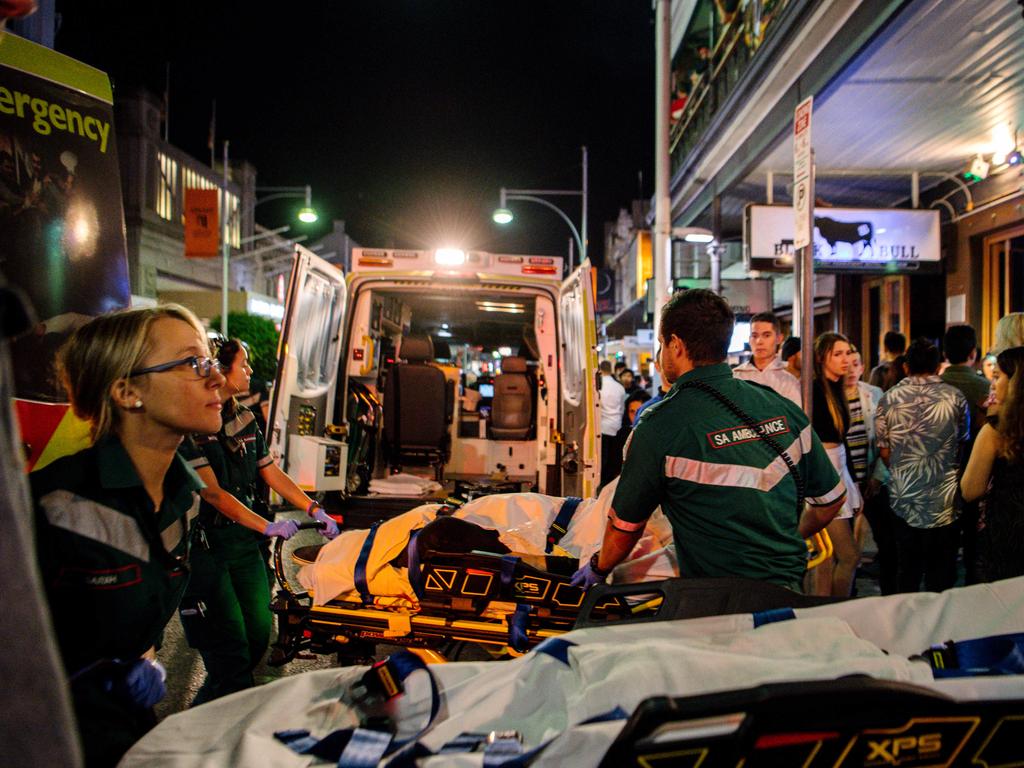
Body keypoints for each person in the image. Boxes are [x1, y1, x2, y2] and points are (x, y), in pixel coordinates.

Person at [31, 305, 226, 767]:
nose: (215, 378)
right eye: (191, 364)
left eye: (211, 361)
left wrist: (142, 658)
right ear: (126, 391)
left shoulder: (183, 498)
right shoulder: (53, 506)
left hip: (126, 734)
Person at [573, 289, 845, 591]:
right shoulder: (781, 408)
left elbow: (624, 527)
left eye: (662, 344)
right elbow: (832, 500)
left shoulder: (660, 425)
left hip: (715, 604)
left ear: (675, 345)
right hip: (788, 592)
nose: (663, 354)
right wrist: (785, 538)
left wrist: (599, 568)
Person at [178, 338, 340, 705]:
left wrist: (314, 509)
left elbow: (271, 472)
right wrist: (266, 526)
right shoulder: (193, 425)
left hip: (246, 546)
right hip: (209, 549)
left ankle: (203, 721)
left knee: (255, 640)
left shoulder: (245, 418)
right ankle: (206, 738)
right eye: (244, 364)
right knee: (229, 655)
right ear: (220, 369)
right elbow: (214, 494)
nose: (250, 371)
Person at [875, 338, 969, 593]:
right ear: (939, 366)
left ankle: (908, 626)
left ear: (906, 367)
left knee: (907, 569)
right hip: (945, 498)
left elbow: (884, 451)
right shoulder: (955, 398)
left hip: (904, 495)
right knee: (942, 572)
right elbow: (962, 443)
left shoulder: (888, 399)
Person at [961, 346, 1024, 582]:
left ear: (1016, 383)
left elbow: (970, 490)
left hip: (1006, 532)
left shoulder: (995, 431)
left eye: (997, 377)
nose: (992, 383)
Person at [808, 332, 862, 597]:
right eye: (838, 354)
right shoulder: (815, 390)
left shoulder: (837, 390)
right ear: (822, 358)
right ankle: (837, 607)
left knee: (830, 557)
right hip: (824, 477)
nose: (846, 360)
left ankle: (827, 607)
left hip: (839, 471)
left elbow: (843, 440)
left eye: (848, 354)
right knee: (848, 555)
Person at [941, 324, 991, 584]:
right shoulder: (984, 387)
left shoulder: (936, 385)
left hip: (938, 476)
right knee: (972, 542)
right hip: (973, 469)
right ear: (973, 353)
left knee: (944, 545)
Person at [844, 346, 895, 594]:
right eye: (847, 363)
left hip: (873, 478)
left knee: (886, 540)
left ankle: (888, 592)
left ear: (863, 367)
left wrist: (877, 477)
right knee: (846, 547)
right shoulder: (831, 397)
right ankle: (849, 592)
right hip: (845, 482)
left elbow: (887, 439)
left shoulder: (874, 394)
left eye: (856, 364)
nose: (851, 369)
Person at [732, 312, 801, 406]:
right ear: (749, 339)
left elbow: (794, 417)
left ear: (779, 339)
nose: (759, 341)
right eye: (755, 336)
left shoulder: (789, 380)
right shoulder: (736, 376)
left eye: (766, 335)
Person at [599, 359, 627, 488]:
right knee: (613, 458)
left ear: (600, 370)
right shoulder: (620, 387)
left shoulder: (599, 386)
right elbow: (622, 409)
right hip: (616, 425)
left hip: (603, 427)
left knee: (602, 457)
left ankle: (601, 482)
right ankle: (609, 484)